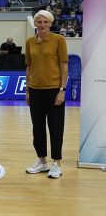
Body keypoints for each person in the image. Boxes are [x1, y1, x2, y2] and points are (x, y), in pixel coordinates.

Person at [25, 10, 68, 179]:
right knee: (38, 128)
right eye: (39, 22)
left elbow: (64, 65)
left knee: (56, 128)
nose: (42, 25)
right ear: (35, 24)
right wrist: (28, 89)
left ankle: (56, 163)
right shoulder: (30, 42)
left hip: (54, 90)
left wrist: (62, 90)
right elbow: (28, 67)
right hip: (35, 91)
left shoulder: (59, 40)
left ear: (50, 23)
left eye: (45, 22)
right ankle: (42, 161)